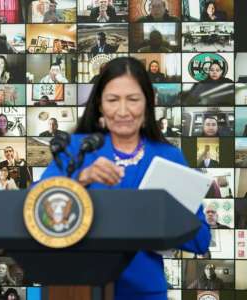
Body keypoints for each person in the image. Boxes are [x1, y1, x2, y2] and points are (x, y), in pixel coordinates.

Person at [39, 57, 210, 300]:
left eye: (132, 100)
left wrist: (164, 215)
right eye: (112, 100)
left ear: (148, 103)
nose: (122, 111)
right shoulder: (77, 148)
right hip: (77, 289)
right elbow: (35, 207)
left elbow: (201, 240)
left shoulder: (168, 156)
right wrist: (81, 179)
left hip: (144, 292)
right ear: (99, 104)